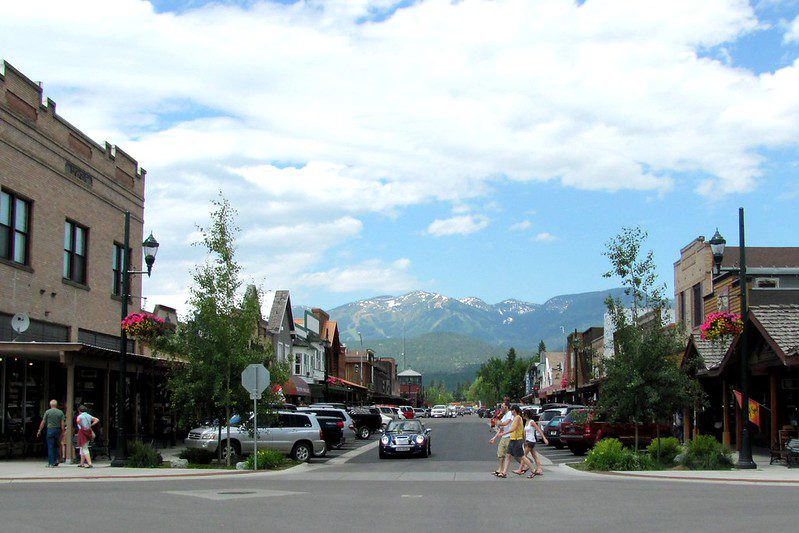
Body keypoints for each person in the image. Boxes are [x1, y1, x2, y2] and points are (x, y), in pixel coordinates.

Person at [492, 405, 535, 478]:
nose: (511, 411)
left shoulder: (518, 418)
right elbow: (521, 430)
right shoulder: (515, 418)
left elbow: (513, 429)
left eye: (511, 410)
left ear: (514, 410)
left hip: (517, 440)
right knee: (508, 456)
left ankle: (533, 470)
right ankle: (504, 473)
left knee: (522, 456)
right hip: (512, 439)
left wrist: (503, 433)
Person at [36, 400, 65, 467]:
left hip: (50, 430)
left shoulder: (47, 412)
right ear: (56, 405)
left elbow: (43, 422)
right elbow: (62, 423)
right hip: (57, 430)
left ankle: (51, 463)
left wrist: (39, 430)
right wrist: (63, 431)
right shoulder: (60, 412)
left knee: (50, 446)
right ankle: (56, 460)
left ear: (50, 405)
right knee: (57, 445)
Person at [523, 411, 548, 478]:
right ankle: (539, 469)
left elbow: (539, 430)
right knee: (534, 455)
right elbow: (525, 432)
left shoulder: (532, 422)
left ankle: (531, 469)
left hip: (531, 441)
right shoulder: (526, 422)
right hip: (528, 440)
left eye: (524, 414)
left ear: (526, 415)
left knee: (523, 456)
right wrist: (524, 440)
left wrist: (544, 438)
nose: (523, 415)